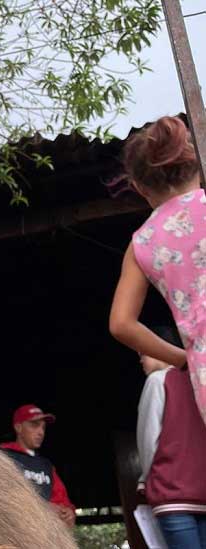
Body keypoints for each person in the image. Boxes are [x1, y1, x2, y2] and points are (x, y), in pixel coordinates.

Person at [109, 115, 206, 428]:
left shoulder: (142, 243)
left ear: (138, 186)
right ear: (195, 163)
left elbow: (121, 324)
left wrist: (183, 358)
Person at [137, 351, 206, 548]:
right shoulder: (200, 380)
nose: (141, 360)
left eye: (144, 353)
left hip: (172, 492)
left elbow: (148, 440)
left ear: (158, 347)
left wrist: (147, 479)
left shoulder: (157, 380)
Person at [0, 404, 76, 527]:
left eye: (43, 427)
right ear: (18, 427)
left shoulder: (46, 466)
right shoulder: (2, 455)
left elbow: (62, 500)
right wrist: (42, 507)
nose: (41, 432)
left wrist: (69, 513)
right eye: (34, 425)